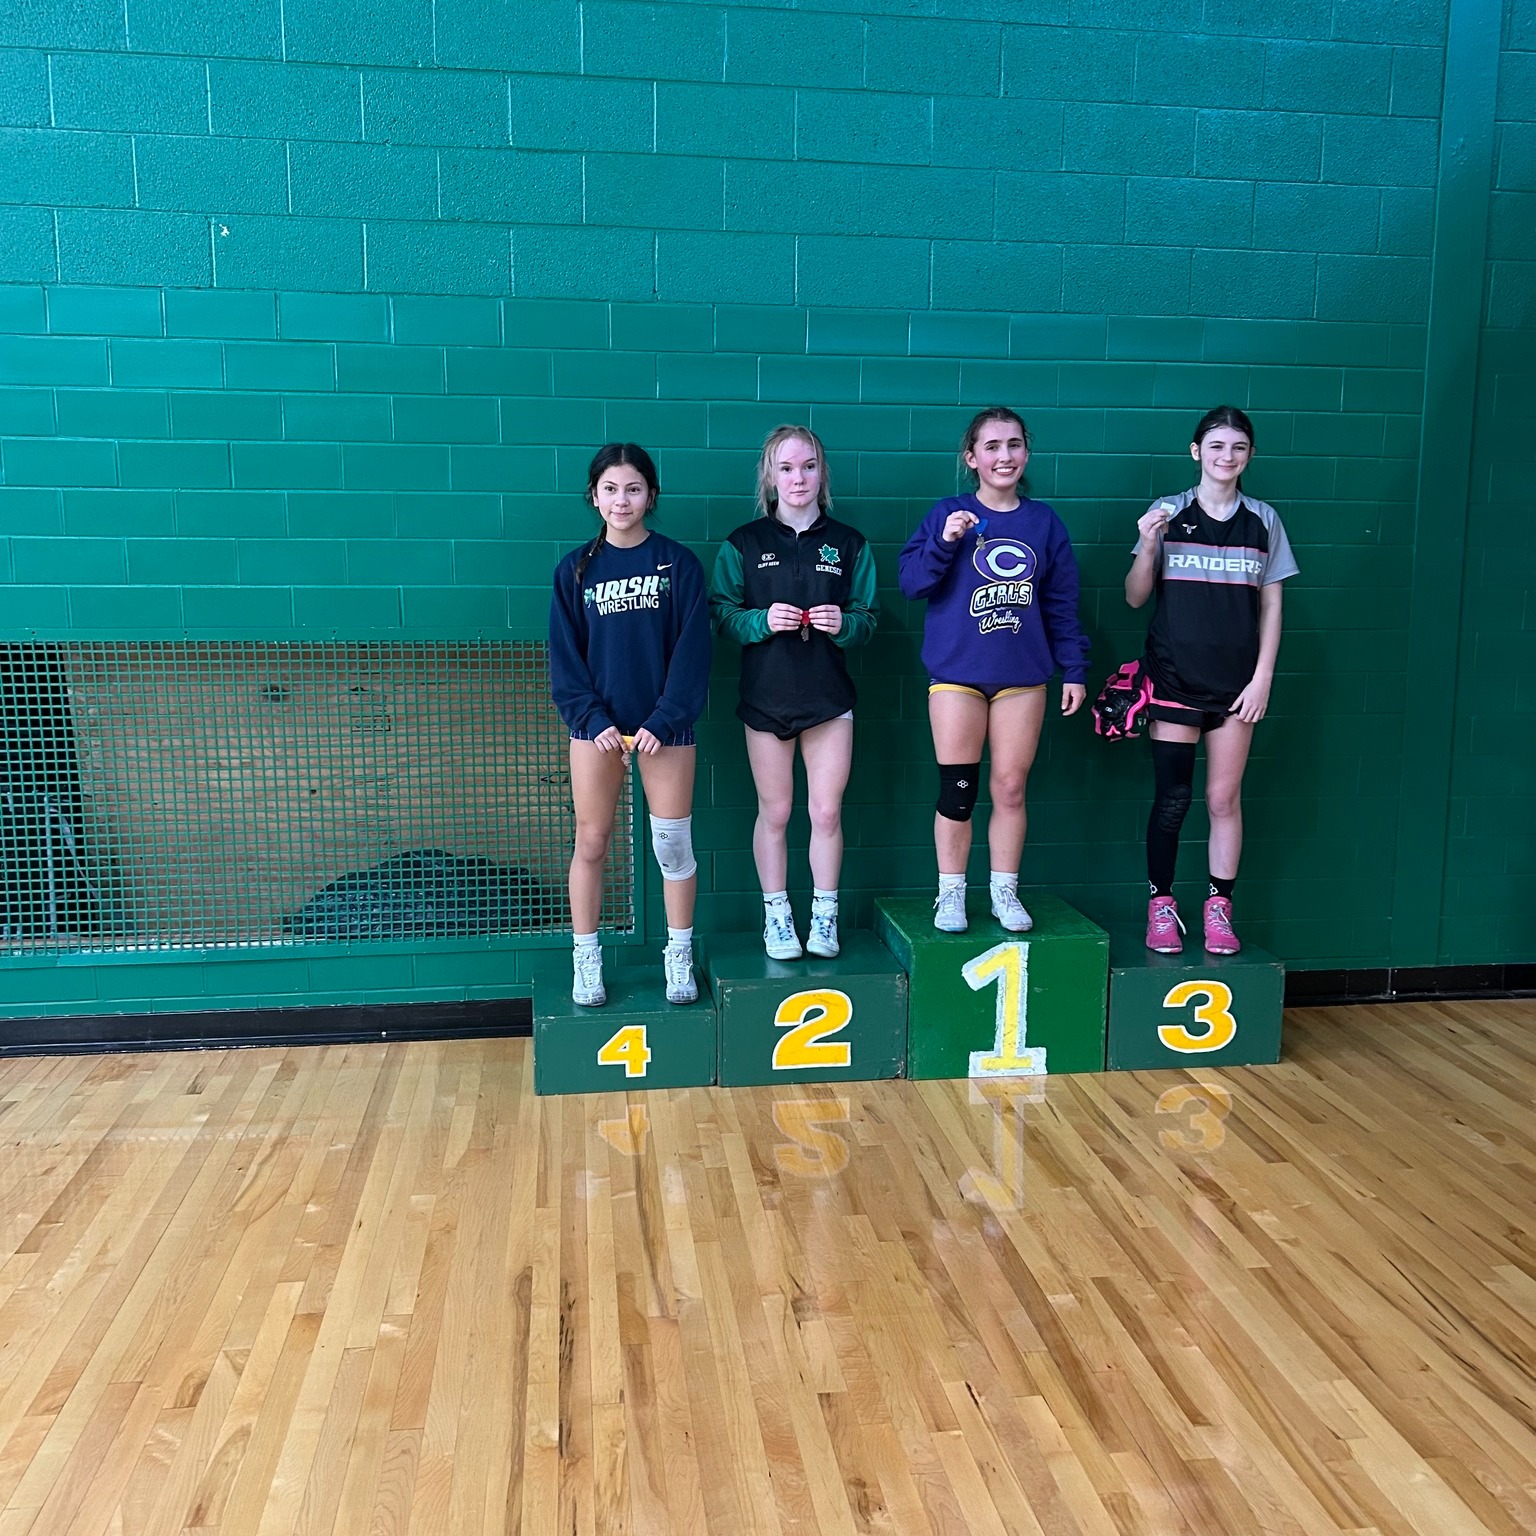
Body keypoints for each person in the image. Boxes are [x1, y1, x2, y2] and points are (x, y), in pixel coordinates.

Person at [898, 408, 1088, 934]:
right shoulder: (947, 512)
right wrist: (945, 541)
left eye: (1014, 445)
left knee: (1010, 788)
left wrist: (1074, 668)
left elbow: (1062, 603)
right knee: (958, 789)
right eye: (992, 446)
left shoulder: (1044, 522)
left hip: (1023, 677)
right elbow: (912, 583)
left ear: (1026, 452)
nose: (1005, 456)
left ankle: (1004, 891)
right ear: (971, 458)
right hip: (956, 675)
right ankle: (951, 893)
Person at [1125, 405, 1298, 955]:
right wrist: (1148, 544)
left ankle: (1219, 908)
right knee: (1173, 799)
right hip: (1173, 680)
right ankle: (1161, 906)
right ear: (1196, 451)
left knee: (1223, 799)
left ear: (1250, 455)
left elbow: (1272, 607)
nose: (1228, 456)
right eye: (1217, 446)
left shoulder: (1264, 520)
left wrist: (1262, 678)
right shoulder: (1167, 511)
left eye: (1238, 447)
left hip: (1236, 687)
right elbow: (1135, 596)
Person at [548, 444, 710, 1006]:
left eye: (633, 489)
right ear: (594, 497)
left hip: (664, 731)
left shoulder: (678, 564)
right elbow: (565, 659)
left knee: (673, 847)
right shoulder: (575, 570)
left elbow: (693, 654)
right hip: (597, 731)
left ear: (651, 495)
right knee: (591, 841)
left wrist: (665, 719)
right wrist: (591, 719)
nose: (622, 500)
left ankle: (679, 955)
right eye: (611, 489)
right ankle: (586, 958)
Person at [711, 425, 878, 959]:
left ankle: (824, 916)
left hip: (829, 699)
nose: (798, 478)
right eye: (786, 468)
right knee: (777, 811)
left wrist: (843, 624)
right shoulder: (744, 543)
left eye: (808, 466)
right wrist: (761, 620)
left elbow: (868, 617)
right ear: (770, 476)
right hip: (766, 699)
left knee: (826, 812)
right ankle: (777, 916)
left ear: (822, 473)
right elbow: (722, 614)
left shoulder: (849, 543)